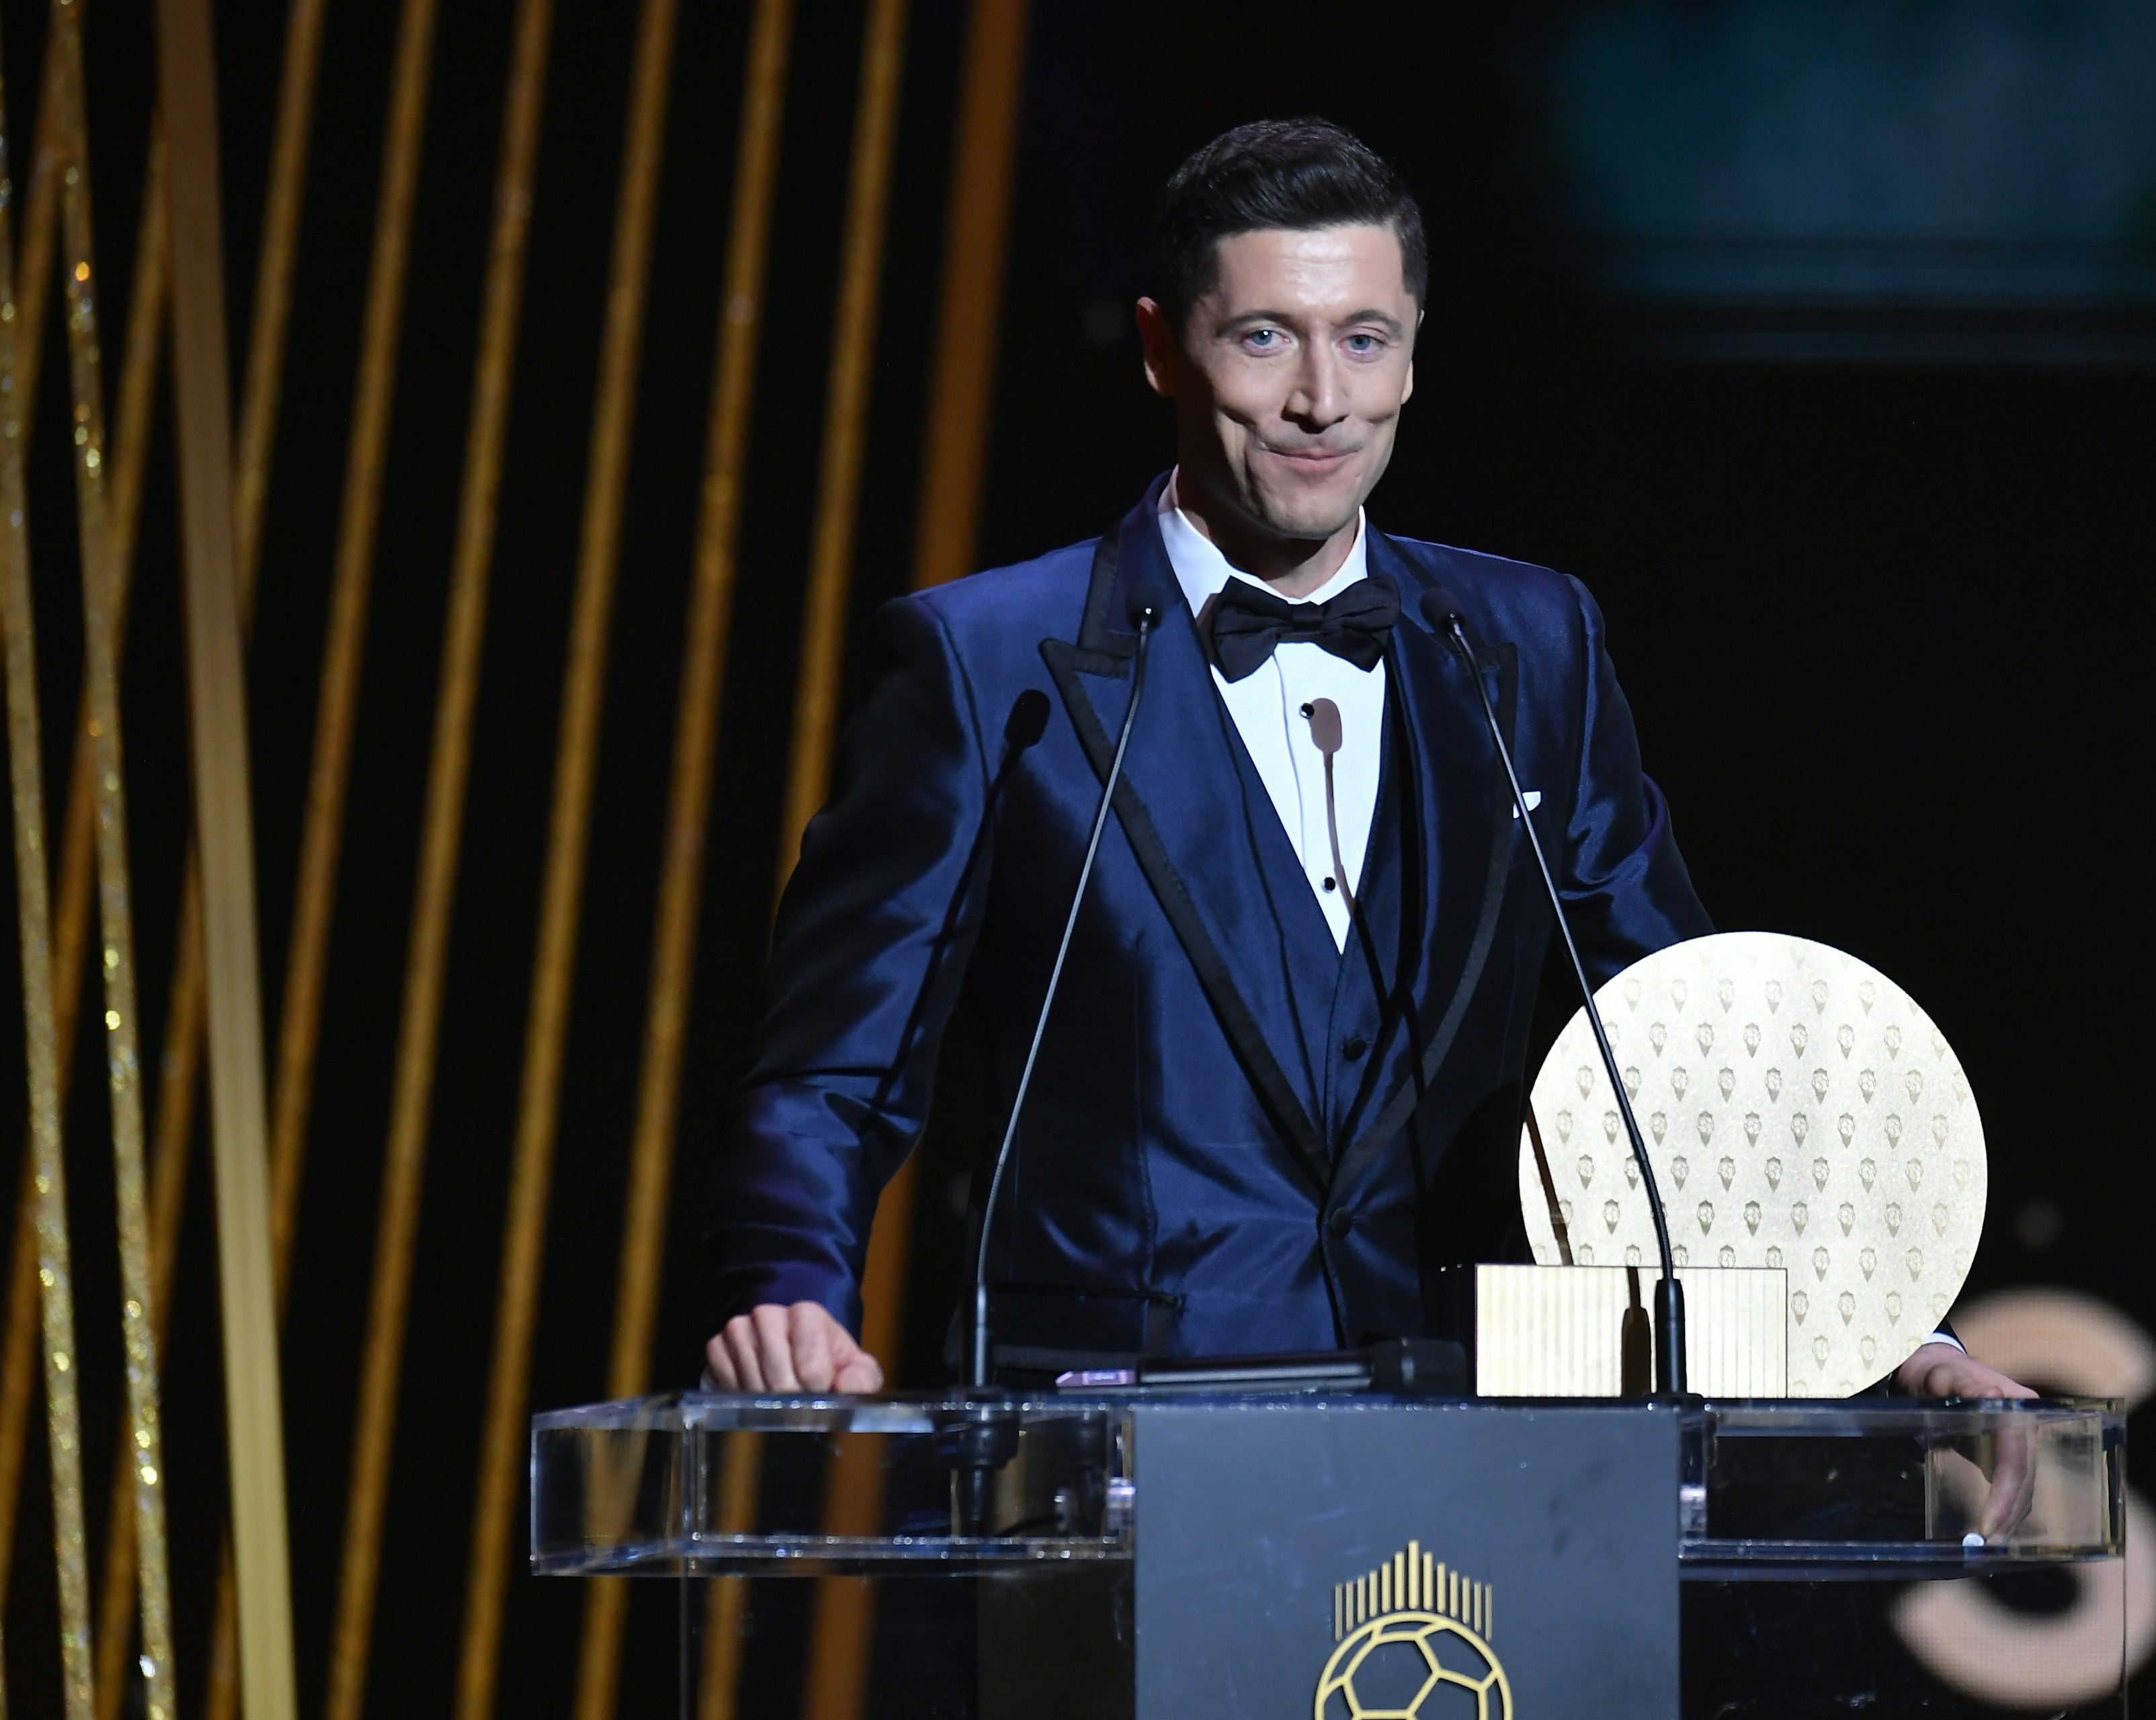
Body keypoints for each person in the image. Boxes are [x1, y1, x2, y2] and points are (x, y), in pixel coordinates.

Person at [702, 118, 2029, 1412]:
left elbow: (1677, 1040)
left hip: (1480, 1434)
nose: (1320, 401)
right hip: (1111, 1443)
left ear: (1412, 355)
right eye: (1263, 337)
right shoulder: (985, 663)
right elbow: (838, 1065)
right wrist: (789, 1288)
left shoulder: (1530, 645)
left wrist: (1891, 1331)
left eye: (1363, 340)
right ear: (1163, 350)